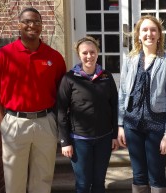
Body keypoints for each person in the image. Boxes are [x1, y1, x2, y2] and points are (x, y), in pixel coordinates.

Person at [0, 7, 66, 193]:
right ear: (19, 25)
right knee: (14, 182)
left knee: (43, 179)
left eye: (36, 22)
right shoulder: (4, 55)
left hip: (45, 122)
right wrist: (3, 123)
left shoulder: (55, 58)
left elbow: (63, 95)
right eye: (27, 21)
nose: (32, 26)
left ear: (42, 26)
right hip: (14, 123)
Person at [117, 15, 166, 193]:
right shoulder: (130, 61)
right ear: (138, 35)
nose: (149, 34)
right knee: (138, 175)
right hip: (132, 125)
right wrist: (120, 125)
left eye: (153, 30)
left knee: (157, 175)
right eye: (144, 30)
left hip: (157, 126)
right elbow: (122, 94)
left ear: (159, 35)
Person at [57, 36, 119, 193]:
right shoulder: (69, 78)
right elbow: (61, 110)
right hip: (80, 141)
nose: (89, 56)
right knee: (83, 184)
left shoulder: (106, 77)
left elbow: (114, 106)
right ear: (79, 55)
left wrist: (114, 135)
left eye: (92, 52)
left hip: (104, 139)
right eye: (85, 53)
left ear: (98, 53)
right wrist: (65, 141)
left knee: (99, 183)